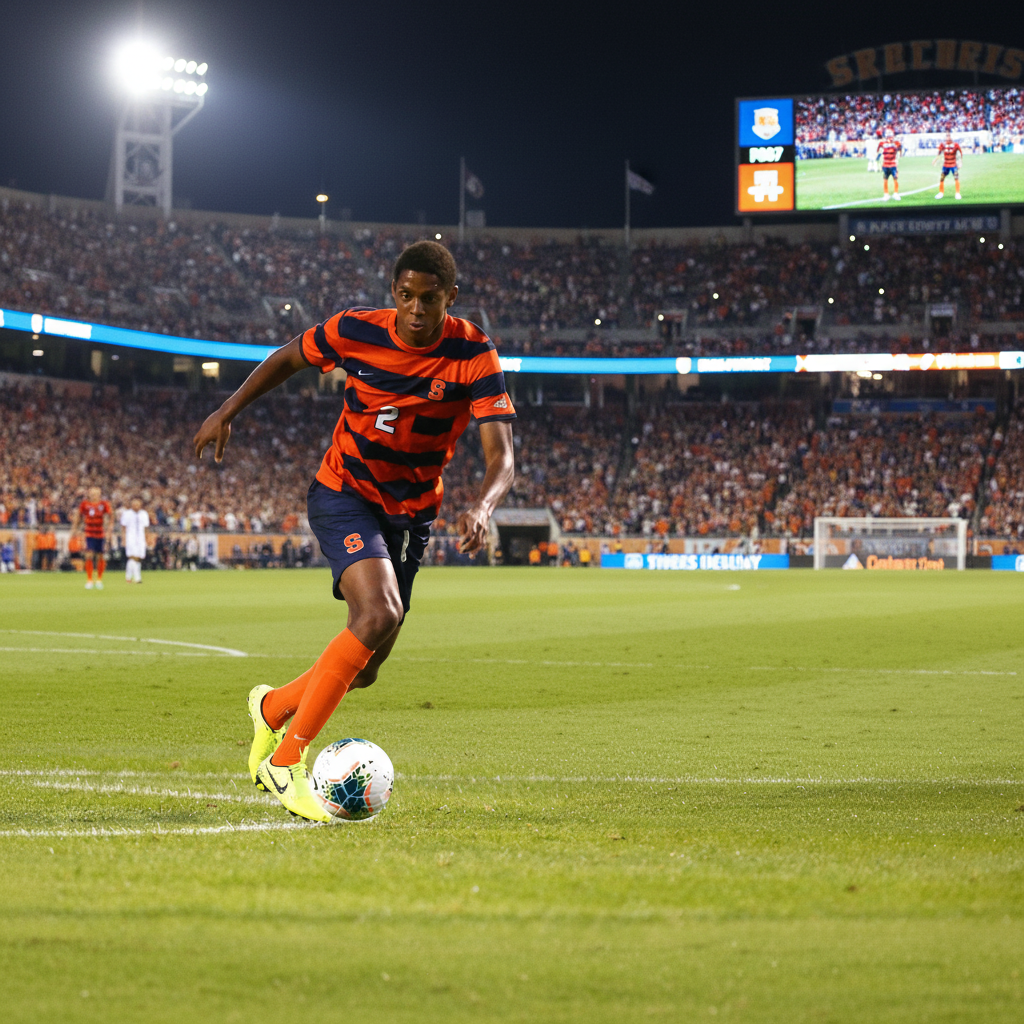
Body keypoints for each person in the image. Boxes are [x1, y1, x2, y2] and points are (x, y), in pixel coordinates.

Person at [193, 241, 516, 823]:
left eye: (430, 298)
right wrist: (229, 408)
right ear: (394, 292)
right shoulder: (353, 330)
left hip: (412, 513)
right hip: (344, 492)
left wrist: (485, 506)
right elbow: (288, 358)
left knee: (364, 668)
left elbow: (502, 455)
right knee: (379, 613)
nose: (417, 309)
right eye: (406, 295)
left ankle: (272, 708)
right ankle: (287, 760)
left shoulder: (474, 352)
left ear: (451, 297)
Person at [71, 486, 112, 590]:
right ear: (89, 494)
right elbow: (78, 517)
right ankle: (89, 579)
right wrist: (75, 529)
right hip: (89, 533)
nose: (94, 496)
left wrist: (109, 531)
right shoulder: (85, 504)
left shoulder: (104, 504)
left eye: (96, 494)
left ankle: (99, 579)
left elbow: (110, 517)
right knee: (88, 555)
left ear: (99, 494)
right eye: (92, 494)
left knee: (100, 556)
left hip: (100, 533)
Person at [120, 496, 151, 584]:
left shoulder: (144, 514)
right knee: (132, 556)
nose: (136, 506)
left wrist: (147, 538)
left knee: (138, 558)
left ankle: (128, 576)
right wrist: (123, 538)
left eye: (138, 504)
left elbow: (146, 527)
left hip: (141, 538)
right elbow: (123, 527)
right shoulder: (127, 514)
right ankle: (137, 577)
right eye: (134, 504)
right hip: (131, 537)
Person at [932, 131, 963, 200]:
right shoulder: (943, 145)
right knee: (942, 178)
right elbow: (939, 153)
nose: (948, 138)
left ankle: (957, 193)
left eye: (949, 136)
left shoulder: (955, 145)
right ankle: (941, 193)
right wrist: (935, 160)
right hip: (946, 164)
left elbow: (960, 153)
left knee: (956, 177)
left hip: (953, 164)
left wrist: (960, 162)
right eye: (947, 136)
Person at [879, 128, 902, 201]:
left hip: (893, 164)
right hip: (885, 164)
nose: (890, 138)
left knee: (895, 178)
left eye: (891, 136)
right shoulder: (883, 143)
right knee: (885, 179)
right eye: (889, 136)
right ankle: (886, 194)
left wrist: (899, 156)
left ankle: (896, 193)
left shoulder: (896, 143)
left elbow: (900, 149)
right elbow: (880, 152)